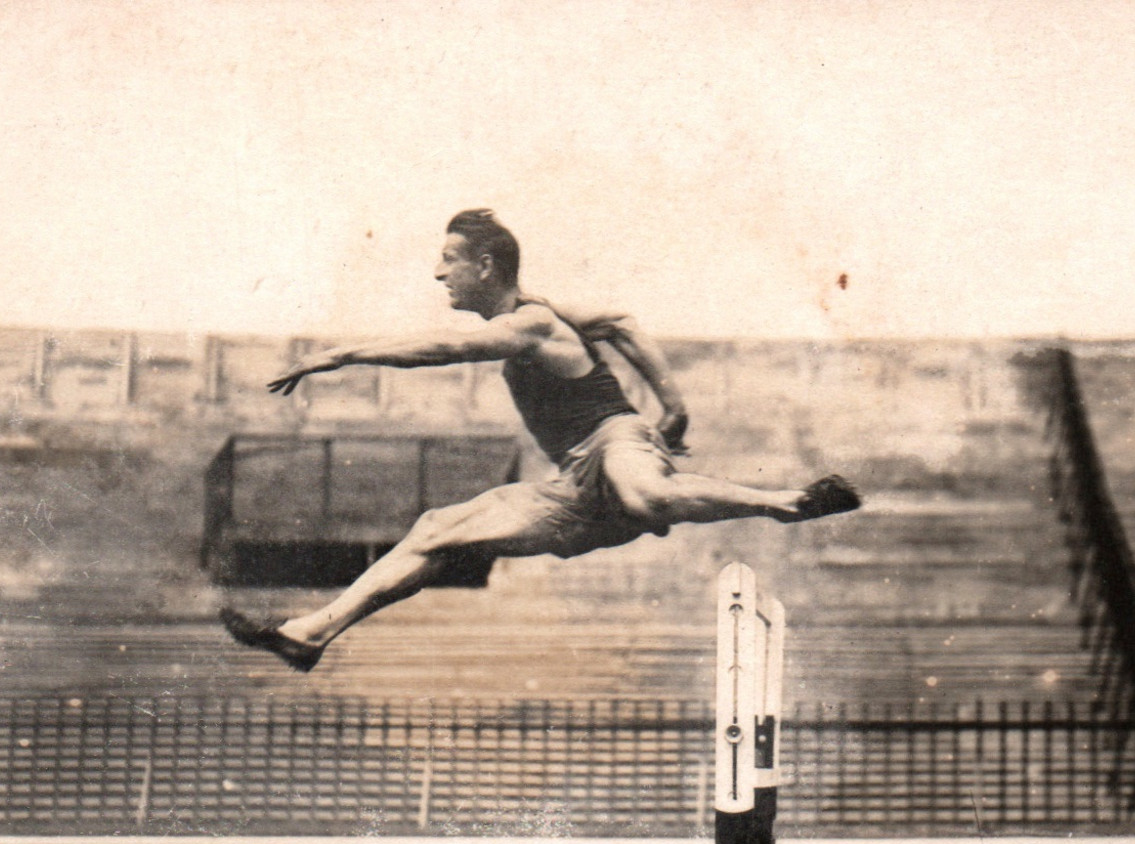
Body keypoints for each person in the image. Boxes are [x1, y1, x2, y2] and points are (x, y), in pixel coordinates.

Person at [221, 209, 860, 671]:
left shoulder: (528, 323)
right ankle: (311, 634)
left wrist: (342, 353)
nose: (437, 273)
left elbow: (446, 348)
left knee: (641, 495)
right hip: (574, 486)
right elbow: (619, 321)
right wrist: (677, 404)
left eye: (448, 260)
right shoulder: (547, 310)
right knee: (435, 528)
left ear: (484, 265)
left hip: (618, 441)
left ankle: (785, 502)